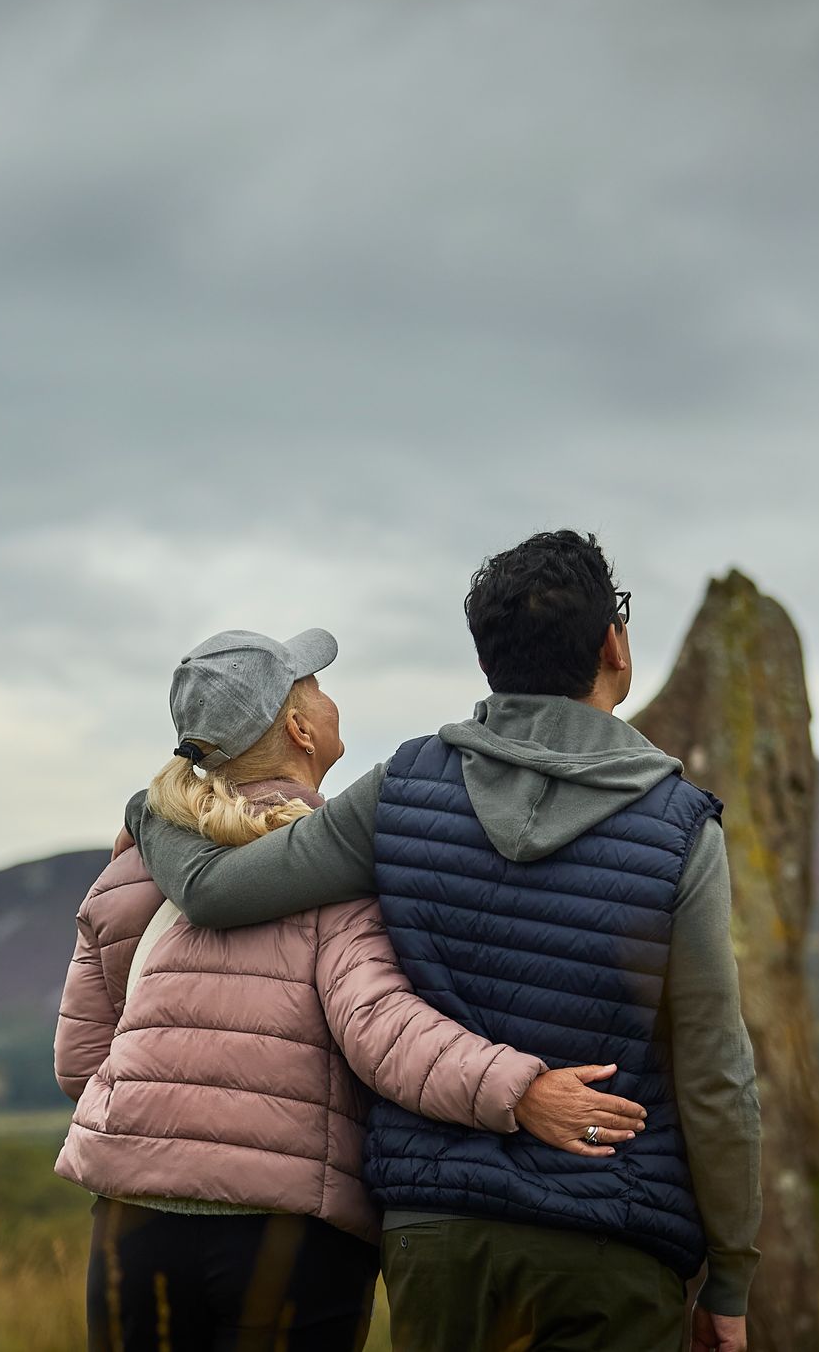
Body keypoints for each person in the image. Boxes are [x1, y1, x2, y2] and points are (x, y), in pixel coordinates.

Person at [125, 532, 762, 1352]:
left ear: (489, 656)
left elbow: (216, 890)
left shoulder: (404, 789)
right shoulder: (678, 828)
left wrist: (150, 810)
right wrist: (731, 1275)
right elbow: (716, 1074)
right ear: (614, 643)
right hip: (614, 1236)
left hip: (437, 1240)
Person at [54, 626, 650, 1352]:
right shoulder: (326, 868)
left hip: (130, 1222)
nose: (330, 701)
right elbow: (382, 1031)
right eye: (316, 688)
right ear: (300, 729)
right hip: (282, 1233)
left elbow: (80, 1063)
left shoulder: (129, 872)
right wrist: (521, 1091)